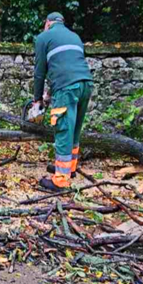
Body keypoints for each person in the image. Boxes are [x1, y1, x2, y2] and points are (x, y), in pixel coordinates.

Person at [29, 12, 94, 191]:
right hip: (86, 84)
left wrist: (37, 100)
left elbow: (40, 72)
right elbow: (66, 68)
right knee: (74, 128)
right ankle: (69, 169)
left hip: (67, 88)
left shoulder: (43, 37)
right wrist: (49, 96)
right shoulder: (75, 37)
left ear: (47, 23)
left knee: (64, 128)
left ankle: (60, 180)